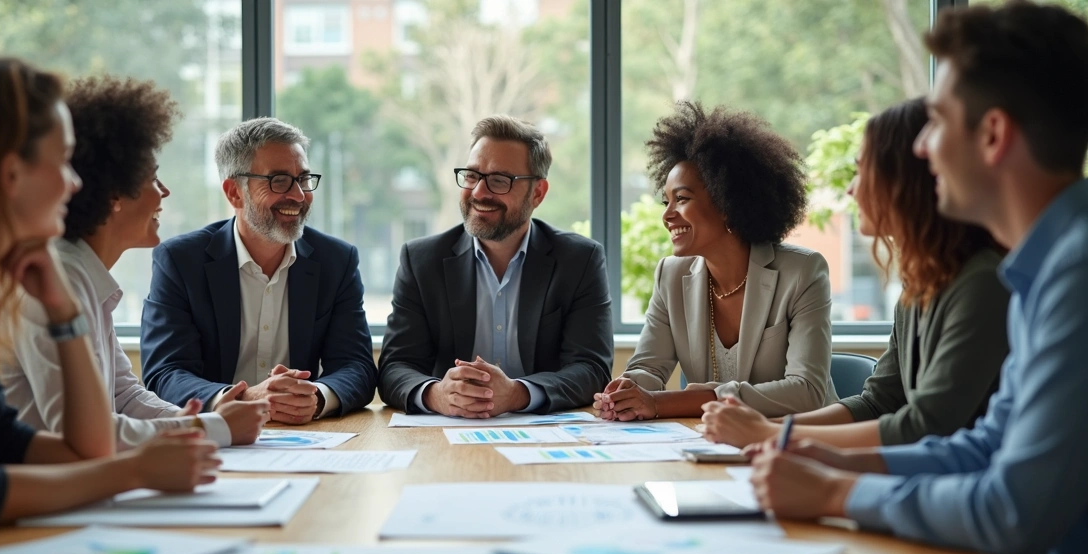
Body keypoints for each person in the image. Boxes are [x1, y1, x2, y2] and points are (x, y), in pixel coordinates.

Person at [749, 2, 1088, 554]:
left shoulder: (1074, 276)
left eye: (935, 123)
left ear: (992, 135)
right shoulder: (1040, 268)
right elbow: (985, 446)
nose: (924, 149)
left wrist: (835, 491)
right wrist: (831, 459)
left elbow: (1009, 513)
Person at [0, 56, 220, 545]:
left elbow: (52, 445)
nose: (75, 183)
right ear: (10, 174)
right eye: (62, 161)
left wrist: (65, 312)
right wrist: (134, 472)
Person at [698, 98, 1008, 449]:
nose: (852, 189)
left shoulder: (981, 284)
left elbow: (925, 426)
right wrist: (769, 430)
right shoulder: (919, 283)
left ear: (905, 180)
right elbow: (878, 403)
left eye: (862, 171)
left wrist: (773, 434)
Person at [0, 76, 269, 448]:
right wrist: (212, 429)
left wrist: (197, 419)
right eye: (153, 179)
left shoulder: (84, 273)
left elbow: (124, 396)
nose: (165, 192)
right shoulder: (58, 278)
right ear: (115, 194)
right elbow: (82, 432)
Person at [595, 101, 836, 421]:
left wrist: (662, 403)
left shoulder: (802, 273)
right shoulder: (671, 274)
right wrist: (627, 390)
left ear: (727, 202)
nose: (667, 216)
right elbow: (649, 368)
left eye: (681, 199)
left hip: (793, 442)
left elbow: (805, 391)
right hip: (710, 441)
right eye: (666, 201)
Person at [141, 118, 377, 424]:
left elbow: (356, 365)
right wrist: (244, 398)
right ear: (234, 193)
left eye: (303, 179)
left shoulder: (337, 260)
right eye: (279, 180)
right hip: (215, 435)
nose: (298, 195)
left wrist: (316, 397)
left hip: (306, 437)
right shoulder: (181, 260)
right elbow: (166, 371)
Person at [378, 115, 613, 417]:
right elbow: (395, 367)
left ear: (538, 193)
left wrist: (517, 394)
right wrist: (437, 394)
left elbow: (592, 369)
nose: (479, 193)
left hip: (547, 439)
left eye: (499, 180)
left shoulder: (580, 260)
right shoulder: (422, 260)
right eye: (472, 176)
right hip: (447, 436)